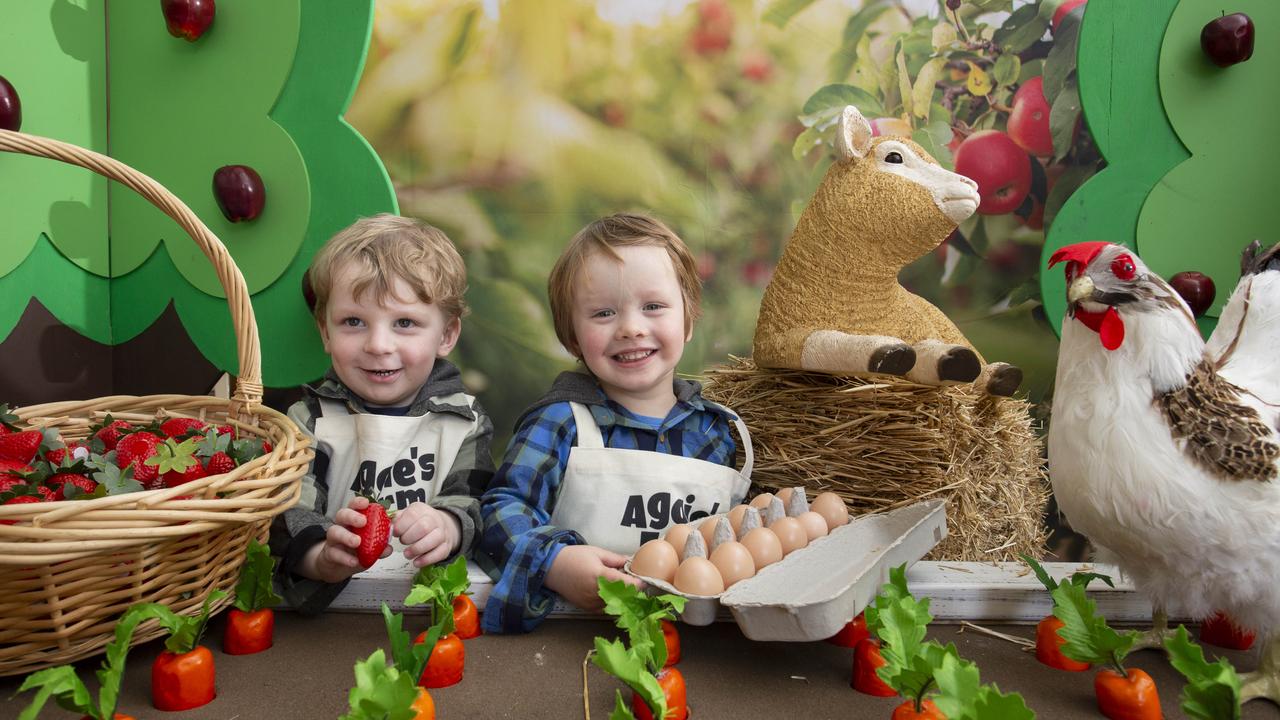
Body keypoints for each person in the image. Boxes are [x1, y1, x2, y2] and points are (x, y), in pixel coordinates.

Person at [478, 212, 753, 633]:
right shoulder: (561, 423)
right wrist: (553, 561)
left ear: (689, 320)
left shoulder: (719, 434)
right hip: (575, 636)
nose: (630, 328)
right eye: (604, 313)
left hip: (700, 646)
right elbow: (501, 510)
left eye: (653, 307)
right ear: (571, 336)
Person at [271, 214, 494, 614]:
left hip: (427, 613)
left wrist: (447, 525)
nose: (378, 344)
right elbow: (290, 514)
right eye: (353, 322)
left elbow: (474, 502)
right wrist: (321, 556)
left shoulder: (463, 421)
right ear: (325, 331)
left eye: (405, 323)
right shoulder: (309, 418)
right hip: (329, 616)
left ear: (445, 335)